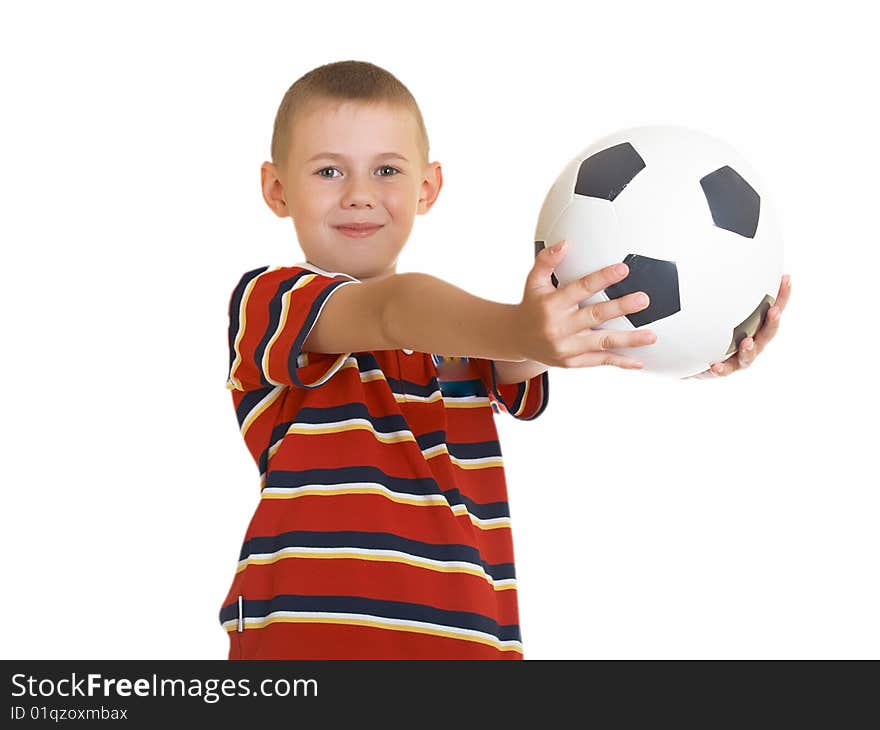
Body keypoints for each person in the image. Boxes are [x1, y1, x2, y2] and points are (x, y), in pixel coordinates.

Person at [218, 60, 792, 659]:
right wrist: (521, 326)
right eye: (329, 170)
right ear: (277, 189)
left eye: (386, 169)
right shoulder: (271, 302)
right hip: (307, 651)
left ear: (427, 188)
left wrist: (690, 346)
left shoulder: (465, 340)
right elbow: (392, 308)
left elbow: (523, 352)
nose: (359, 194)